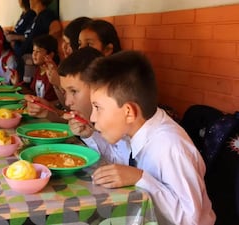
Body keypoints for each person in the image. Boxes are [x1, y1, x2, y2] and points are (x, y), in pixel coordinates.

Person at [82, 50, 216, 225]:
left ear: (128, 112)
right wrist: (90, 135)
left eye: (97, 107)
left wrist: (140, 178)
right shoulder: (134, 130)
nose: (92, 117)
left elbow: (191, 219)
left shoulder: (170, 146)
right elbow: (118, 160)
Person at [28, 34, 59, 102]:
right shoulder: (39, 70)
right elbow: (34, 93)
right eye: (33, 51)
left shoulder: (54, 72)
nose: (34, 54)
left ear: (50, 54)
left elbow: (58, 100)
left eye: (38, 51)